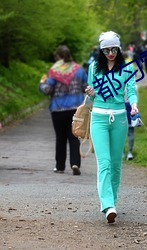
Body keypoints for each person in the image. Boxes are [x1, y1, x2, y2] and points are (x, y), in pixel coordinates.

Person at [85, 31, 138, 223]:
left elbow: (131, 90)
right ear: (101, 50)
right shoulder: (94, 68)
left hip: (120, 119)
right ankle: (107, 204)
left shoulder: (126, 68)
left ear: (119, 48)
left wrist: (133, 104)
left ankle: (112, 201)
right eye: (106, 50)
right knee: (104, 163)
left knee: (116, 164)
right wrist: (90, 92)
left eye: (113, 49)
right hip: (98, 117)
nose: (110, 53)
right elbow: (91, 96)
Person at [39, 45, 88, 175]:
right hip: (75, 109)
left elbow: (47, 90)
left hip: (58, 109)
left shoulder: (54, 71)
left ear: (58, 57)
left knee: (60, 138)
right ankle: (75, 163)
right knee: (74, 137)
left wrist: (42, 83)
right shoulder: (79, 70)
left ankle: (60, 166)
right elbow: (86, 87)